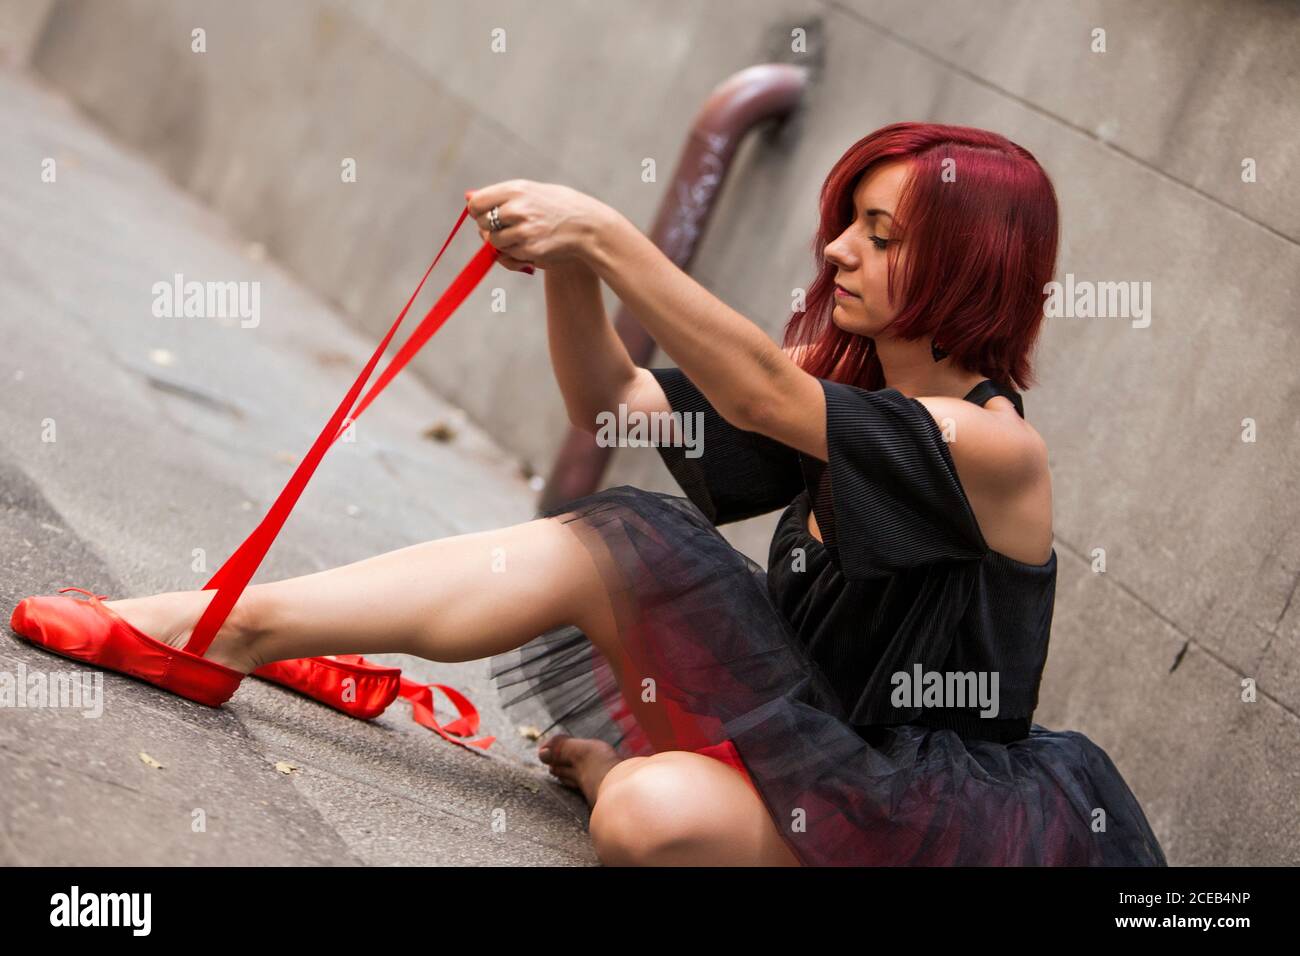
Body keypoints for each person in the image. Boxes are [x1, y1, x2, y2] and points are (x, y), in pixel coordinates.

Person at [10, 122, 1167, 866]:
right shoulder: (844, 398)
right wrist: (568, 270)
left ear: (969, 264)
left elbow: (762, 392)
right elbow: (609, 400)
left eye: (879, 234)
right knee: (624, 533)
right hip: (812, 748)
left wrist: (610, 236)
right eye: (846, 228)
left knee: (642, 818)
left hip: (925, 822)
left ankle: (617, 768)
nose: (839, 257)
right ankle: (229, 623)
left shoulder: (993, 448)